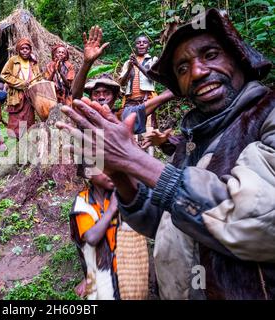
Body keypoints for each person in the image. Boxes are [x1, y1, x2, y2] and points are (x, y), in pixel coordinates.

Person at [57, 9, 274, 299]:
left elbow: (259, 221)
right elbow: (165, 219)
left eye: (210, 55)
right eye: (182, 68)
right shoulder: (190, 141)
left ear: (239, 58)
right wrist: (124, 177)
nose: (196, 72)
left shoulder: (267, 115)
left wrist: (134, 159)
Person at [71, 26, 174, 131]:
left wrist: (181, 85)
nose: (101, 97)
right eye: (96, 93)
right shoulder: (86, 115)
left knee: (148, 129)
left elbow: (154, 102)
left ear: (115, 97)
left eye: (106, 93)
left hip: (145, 97)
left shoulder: (122, 116)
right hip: (90, 146)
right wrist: (87, 63)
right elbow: (75, 97)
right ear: (91, 97)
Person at [70, 166, 120, 300]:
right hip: (101, 280)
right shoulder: (82, 203)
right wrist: (111, 210)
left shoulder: (118, 194)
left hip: (127, 274)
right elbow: (92, 238)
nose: (111, 173)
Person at [0, 38, 42, 139]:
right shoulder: (13, 60)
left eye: (27, 48)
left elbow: (39, 77)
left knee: (28, 119)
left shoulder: (33, 62)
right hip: (16, 96)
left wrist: (35, 85)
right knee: (16, 119)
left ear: (30, 50)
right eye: (22, 48)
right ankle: (14, 144)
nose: (24, 50)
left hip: (30, 96)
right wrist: (21, 83)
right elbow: (4, 75)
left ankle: (27, 143)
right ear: (18, 50)